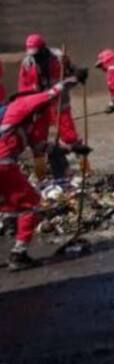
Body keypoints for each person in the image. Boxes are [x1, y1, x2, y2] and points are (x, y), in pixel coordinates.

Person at [1, 78, 76, 269]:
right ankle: (18, 255)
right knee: (30, 204)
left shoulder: (22, 124)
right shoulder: (18, 105)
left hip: (5, 166)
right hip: (3, 166)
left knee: (12, 205)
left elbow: (40, 147)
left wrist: (72, 148)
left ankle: (13, 232)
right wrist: (67, 82)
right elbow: (48, 95)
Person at [17, 34, 91, 177]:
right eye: (32, 53)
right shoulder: (27, 63)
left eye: (37, 53)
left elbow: (71, 75)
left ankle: (85, 168)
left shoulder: (59, 57)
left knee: (69, 136)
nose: (35, 57)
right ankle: (40, 173)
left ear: (43, 48)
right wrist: (26, 104)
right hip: (38, 104)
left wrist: (79, 75)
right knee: (37, 138)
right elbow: (23, 86)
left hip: (59, 102)